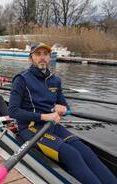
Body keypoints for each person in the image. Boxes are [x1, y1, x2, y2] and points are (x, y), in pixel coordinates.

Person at [8, 43, 116, 184]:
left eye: (45, 54)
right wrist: (45, 116)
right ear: (31, 58)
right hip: (30, 127)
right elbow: (13, 111)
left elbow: (64, 105)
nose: (42, 57)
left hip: (52, 125)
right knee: (71, 154)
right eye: (38, 54)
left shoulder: (55, 80)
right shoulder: (21, 79)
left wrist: (63, 109)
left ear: (49, 57)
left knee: (86, 151)